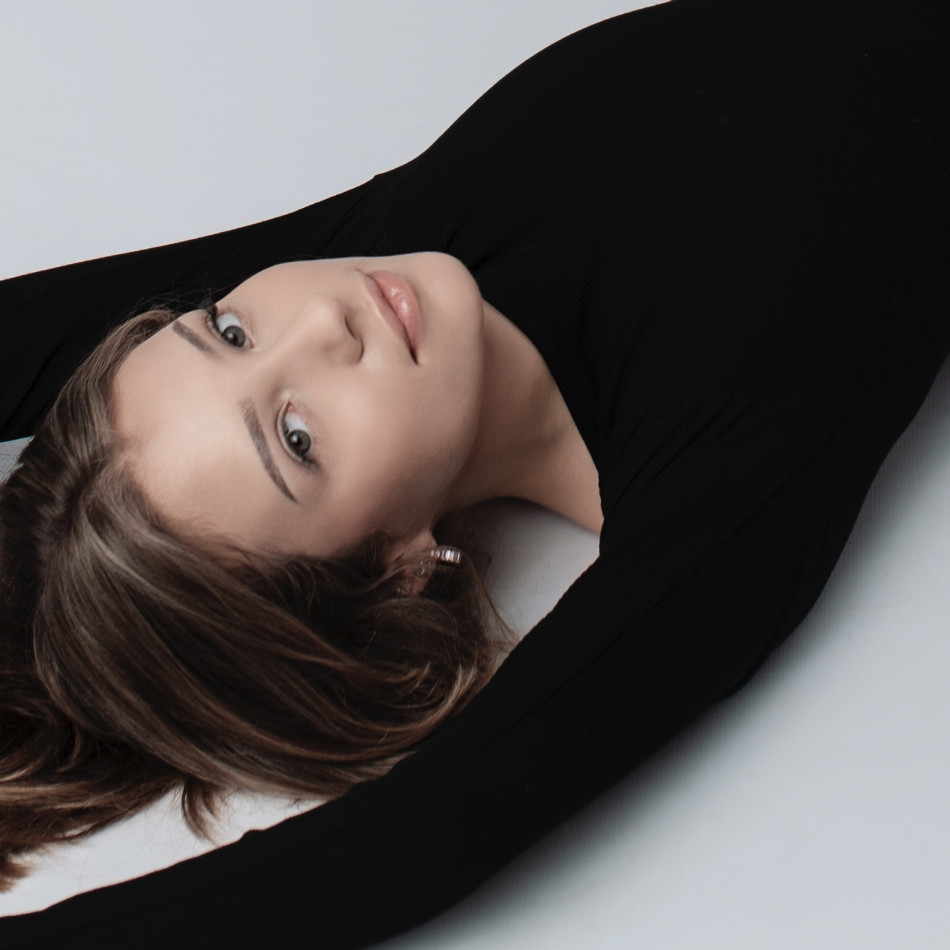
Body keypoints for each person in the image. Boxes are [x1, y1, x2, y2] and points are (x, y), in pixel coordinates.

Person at [1, 0, 947, 946]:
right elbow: (418, 838)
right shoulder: (725, 461)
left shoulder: (395, 246)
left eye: (229, 331)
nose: (321, 320)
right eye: (295, 438)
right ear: (396, 571)